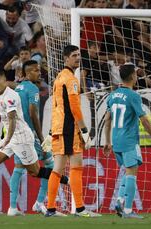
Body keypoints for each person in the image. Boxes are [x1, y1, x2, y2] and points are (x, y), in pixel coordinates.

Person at [0, 70, 68, 212]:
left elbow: (12, 119)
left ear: (5, 80)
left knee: (35, 172)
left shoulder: (10, 96)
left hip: (21, 138)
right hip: (10, 138)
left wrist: (7, 139)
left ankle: (66, 180)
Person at [42, 45, 100, 217]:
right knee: (74, 167)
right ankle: (79, 209)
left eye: (79, 55)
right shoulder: (71, 80)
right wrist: (84, 130)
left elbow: (57, 106)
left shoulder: (59, 77)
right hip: (69, 128)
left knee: (59, 168)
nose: (78, 58)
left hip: (60, 127)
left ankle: (51, 208)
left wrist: (52, 131)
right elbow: (74, 107)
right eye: (74, 55)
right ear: (66, 58)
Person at [103, 63, 151, 219]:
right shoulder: (133, 96)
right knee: (132, 175)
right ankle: (125, 207)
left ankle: (121, 204)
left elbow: (107, 120)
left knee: (127, 173)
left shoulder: (112, 95)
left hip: (116, 141)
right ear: (133, 76)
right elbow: (144, 120)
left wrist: (107, 141)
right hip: (129, 141)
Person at [7, 60, 54, 216]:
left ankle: (12, 207)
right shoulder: (32, 88)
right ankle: (40, 202)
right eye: (35, 70)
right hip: (30, 134)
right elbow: (33, 112)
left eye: (39, 70)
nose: (39, 73)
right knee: (50, 165)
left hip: (18, 134)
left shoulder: (18, 87)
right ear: (27, 73)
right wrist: (41, 137)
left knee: (19, 168)